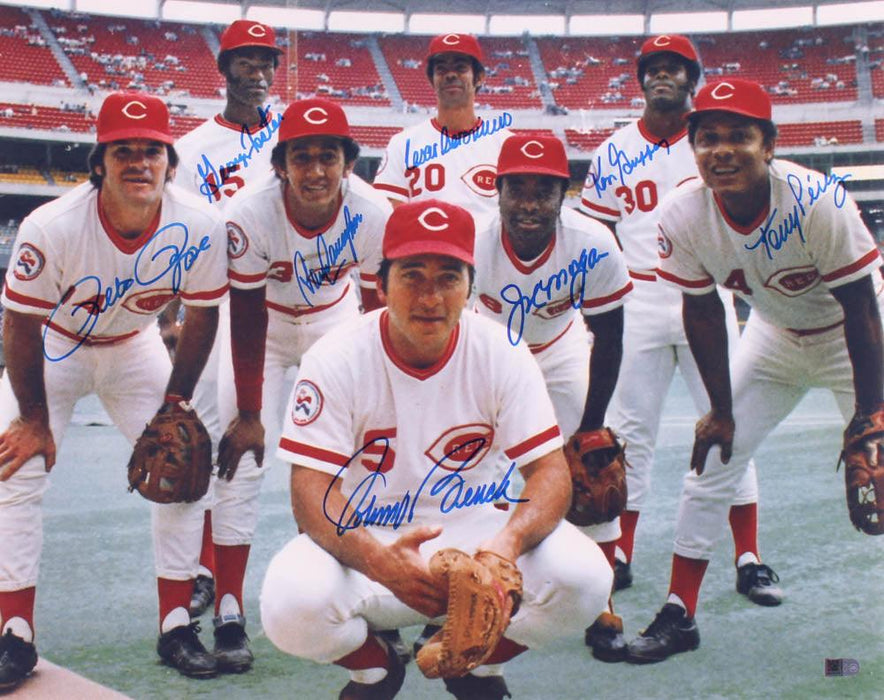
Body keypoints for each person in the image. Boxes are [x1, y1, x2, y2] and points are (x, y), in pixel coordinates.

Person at [259, 199, 612, 699]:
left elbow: (549, 472)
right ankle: (377, 668)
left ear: (471, 287)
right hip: (369, 538)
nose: (430, 296)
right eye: (412, 276)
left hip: (478, 536)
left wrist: (507, 544)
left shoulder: (502, 350)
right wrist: (378, 562)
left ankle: (473, 662)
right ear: (381, 285)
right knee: (288, 607)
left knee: (586, 580)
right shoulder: (335, 356)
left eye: (449, 278)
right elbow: (310, 490)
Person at [627, 78, 883, 663]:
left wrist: (871, 413)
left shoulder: (816, 198)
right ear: (693, 149)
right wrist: (719, 411)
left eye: (739, 136)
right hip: (773, 337)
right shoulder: (684, 213)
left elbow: (862, 307)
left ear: (768, 145)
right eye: (708, 138)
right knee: (714, 461)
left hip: (854, 337)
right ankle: (679, 612)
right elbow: (701, 310)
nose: (722, 150)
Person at [0, 92, 229, 689]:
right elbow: (19, 324)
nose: (138, 162)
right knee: (14, 468)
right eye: (122, 150)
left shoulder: (200, 223)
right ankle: (14, 633)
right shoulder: (52, 224)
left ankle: (176, 624)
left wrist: (175, 403)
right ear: (98, 162)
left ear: (170, 162)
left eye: (152, 150)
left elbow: (203, 315)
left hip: (134, 344)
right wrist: (32, 419)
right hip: (56, 345)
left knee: (183, 470)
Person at [579, 35, 781, 606]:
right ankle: (620, 552)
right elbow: (598, 235)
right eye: (654, 68)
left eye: (675, 68)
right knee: (630, 433)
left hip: (705, 295)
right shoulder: (615, 149)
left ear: (693, 78)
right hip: (638, 297)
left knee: (731, 424)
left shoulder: (711, 141)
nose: (662, 75)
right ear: (641, 79)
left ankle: (748, 557)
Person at [210, 97, 390, 672]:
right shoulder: (250, 211)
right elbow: (245, 315)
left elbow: (378, 309)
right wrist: (249, 412)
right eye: (301, 157)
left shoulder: (373, 210)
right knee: (240, 463)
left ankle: (360, 591)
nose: (315, 170)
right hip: (261, 325)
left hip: (335, 320)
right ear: (281, 164)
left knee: (353, 462)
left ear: (348, 163)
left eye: (328, 157)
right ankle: (228, 609)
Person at [473, 134, 633, 661]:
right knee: (475, 477)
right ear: (497, 190)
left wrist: (591, 427)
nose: (529, 204)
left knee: (593, 470)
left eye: (543, 191)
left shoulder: (591, 241)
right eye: (517, 189)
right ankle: (475, 596)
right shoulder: (472, 238)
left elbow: (609, 336)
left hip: (561, 348)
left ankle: (602, 602)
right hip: (490, 351)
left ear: (564, 194)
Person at [171, 18, 283, 628]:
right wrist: (175, 311)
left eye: (266, 62)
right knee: (215, 442)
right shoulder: (192, 149)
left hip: (294, 299)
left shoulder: (295, 136)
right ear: (224, 69)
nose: (258, 72)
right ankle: (206, 570)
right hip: (219, 303)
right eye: (246, 61)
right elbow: (180, 231)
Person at [373, 33, 512, 215]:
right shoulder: (402, 144)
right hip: (424, 234)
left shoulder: (506, 144)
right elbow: (389, 212)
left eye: (461, 68)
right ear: (432, 80)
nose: (450, 75)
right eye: (441, 69)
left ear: (479, 77)